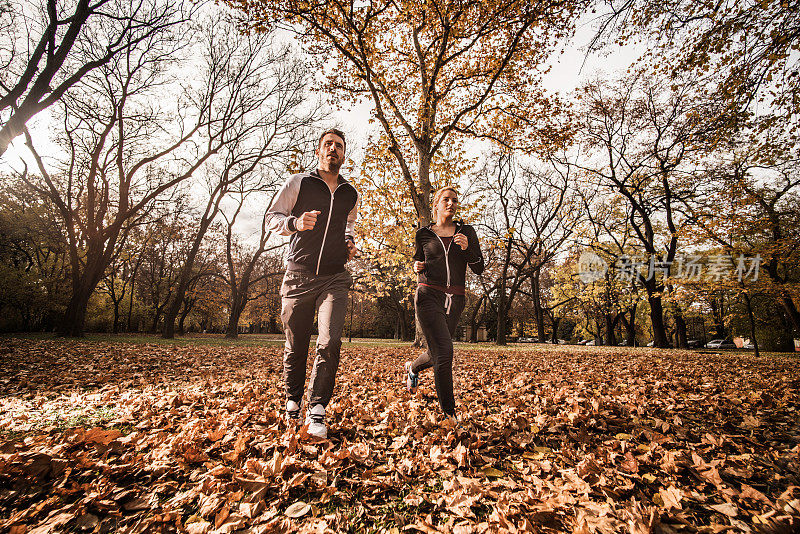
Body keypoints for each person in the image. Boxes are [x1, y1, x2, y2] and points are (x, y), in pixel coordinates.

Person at [265, 128, 359, 439]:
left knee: (329, 341)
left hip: (334, 277)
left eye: (339, 146)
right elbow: (271, 218)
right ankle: (293, 401)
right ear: (318, 151)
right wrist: (294, 223)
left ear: (344, 155)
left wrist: (349, 244)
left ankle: (317, 410)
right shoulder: (298, 183)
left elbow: (349, 227)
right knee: (296, 346)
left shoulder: (350, 194)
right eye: (328, 144)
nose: (334, 149)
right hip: (298, 275)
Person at [405, 186, 484, 422]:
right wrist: (416, 268)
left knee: (437, 352)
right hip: (429, 295)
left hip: (456, 300)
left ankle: (412, 368)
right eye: (446, 200)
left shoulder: (467, 232)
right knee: (446, 352)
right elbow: (418, 263)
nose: (451, 204)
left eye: (455, 200)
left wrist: (467, 249)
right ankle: (449, 415)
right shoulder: (424, 234)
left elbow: (479, 267)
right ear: (437, 205)